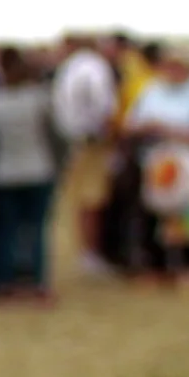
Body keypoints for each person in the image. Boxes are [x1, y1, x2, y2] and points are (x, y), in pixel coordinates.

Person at [123, 46, 189, 284]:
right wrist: (148, 128)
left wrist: (178, 132)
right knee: (155, 214)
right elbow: (130, 124)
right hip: (155, 162)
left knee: (186, 216)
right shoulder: (151, 91)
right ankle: (154, 265)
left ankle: (187, 265)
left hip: (186, 163)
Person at [0, 48, 59, 301]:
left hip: (3, 173)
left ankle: (5, 281)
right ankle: (37, 281)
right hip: (37, 170)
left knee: (5, 230)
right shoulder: (40, 99)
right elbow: (56, 132)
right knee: (36, 229)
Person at [51, 33, 118, 277]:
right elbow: (104, 107)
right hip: (92, 142)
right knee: (93, 198)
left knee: (81, 199)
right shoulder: (95, 67)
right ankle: (91, 252)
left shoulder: (69, 68)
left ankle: (85, 251)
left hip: (74, 141)